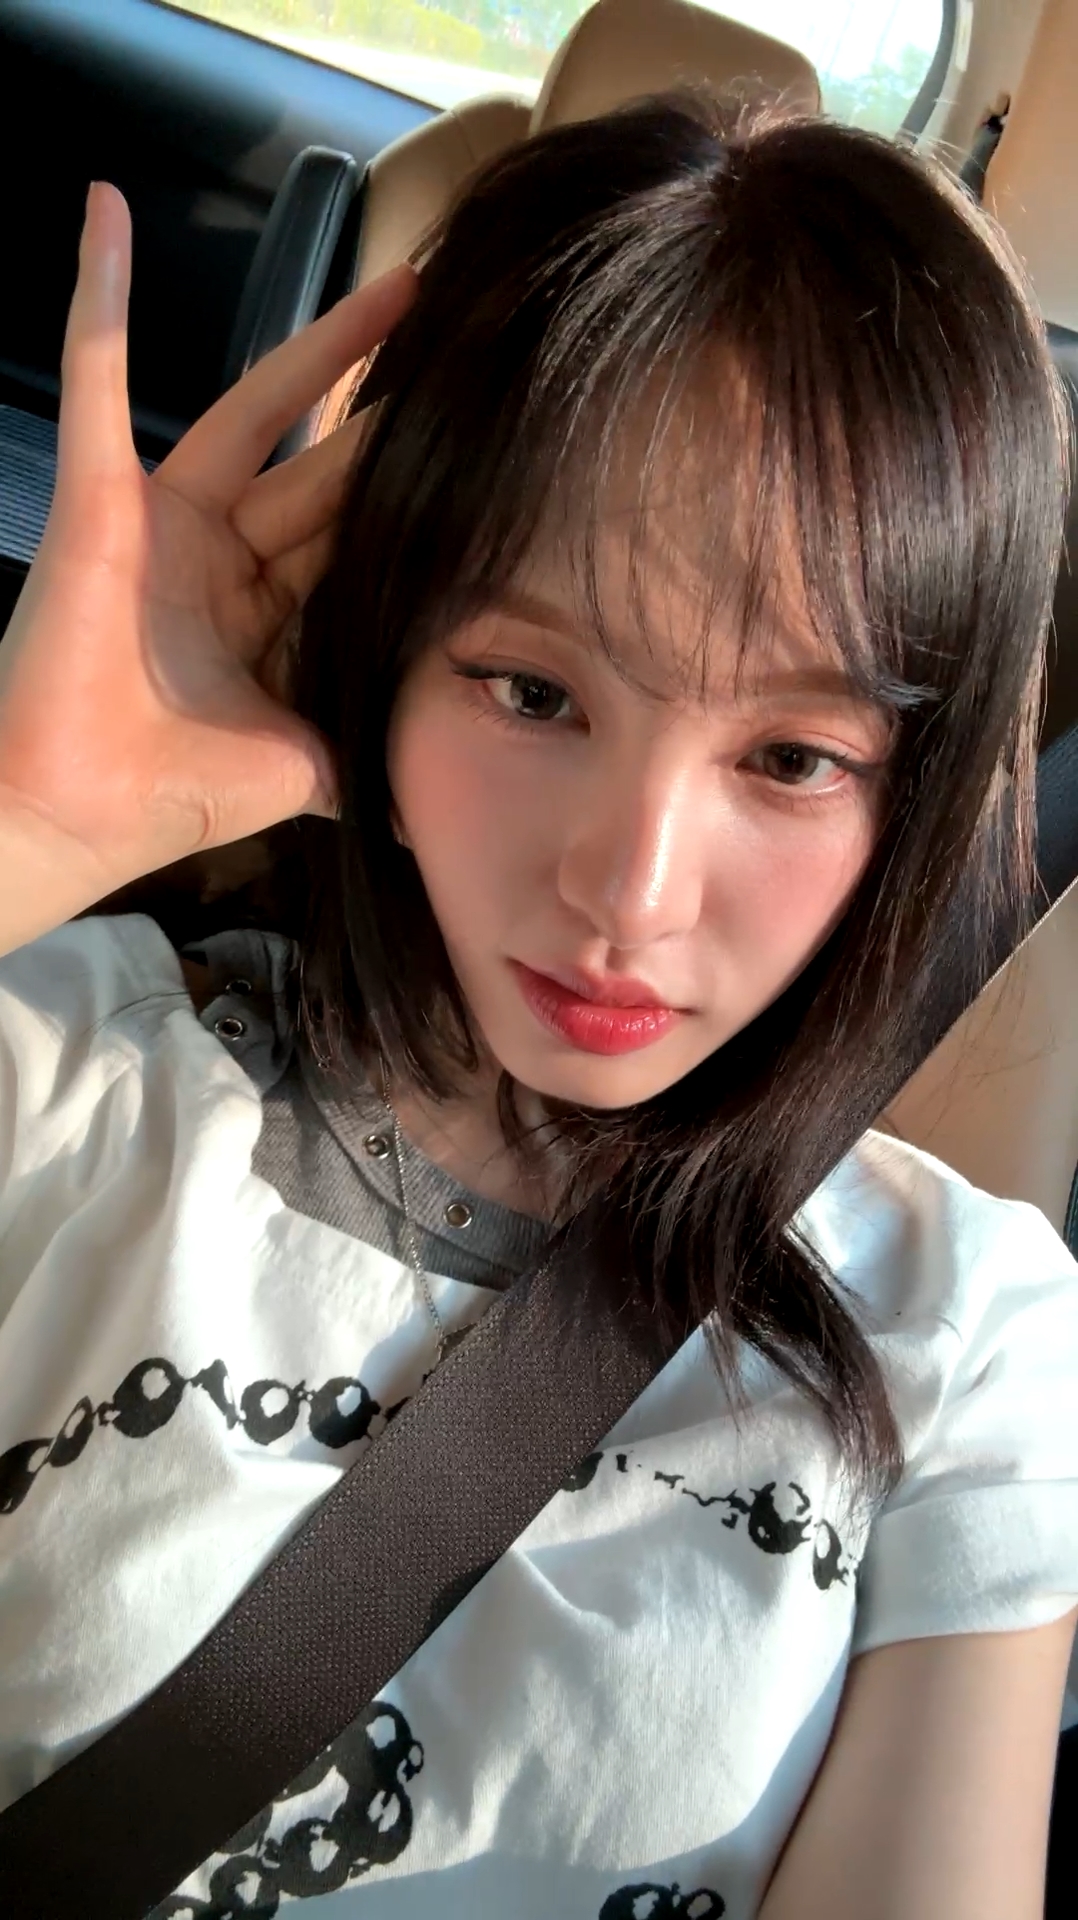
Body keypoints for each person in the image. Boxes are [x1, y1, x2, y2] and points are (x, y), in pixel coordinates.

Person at [0, 91, 1076, 1920]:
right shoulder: (76, 1073)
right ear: (386, 644)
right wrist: (33, 829)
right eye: (529, 692)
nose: (628, 893)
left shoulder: (963, 1340)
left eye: (793, 756)